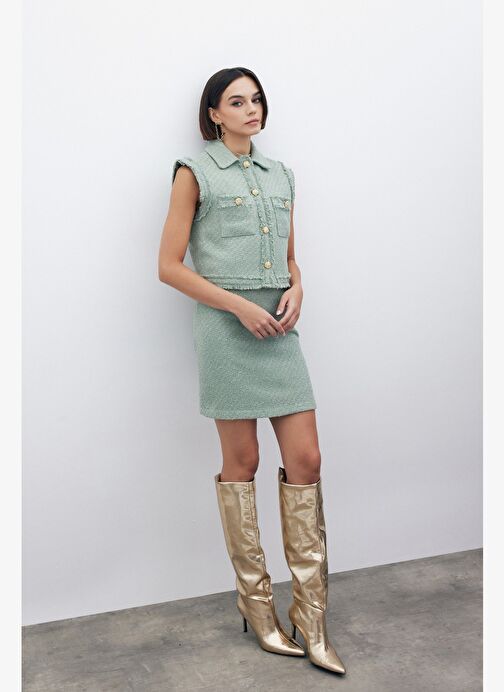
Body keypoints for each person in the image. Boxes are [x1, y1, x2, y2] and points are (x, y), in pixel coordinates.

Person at [158, 66, 346, 675]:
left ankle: (312, 617)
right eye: (236, 101)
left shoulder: (281, 174)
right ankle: (257, 605)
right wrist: (239, 306)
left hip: (279, 331)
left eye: (256, 99)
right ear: (214, 113)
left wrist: (298, 287)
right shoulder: (193, 172)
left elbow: (290, 257)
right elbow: (169, 266)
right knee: (243, 464)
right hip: (226, 329)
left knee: (307, 460)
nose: (251, 109)